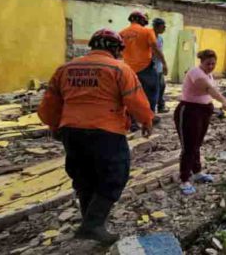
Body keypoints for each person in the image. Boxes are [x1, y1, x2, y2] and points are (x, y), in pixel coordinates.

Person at [38, 29, 154, 245]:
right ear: (116, 49)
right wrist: (146, 121)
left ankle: (90, 223)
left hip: (71, 132)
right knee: (115, 175)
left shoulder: (66, 68)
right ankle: (93, 224)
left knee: (83, 177)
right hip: (106, 132)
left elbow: (50, 104)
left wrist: (54, 125)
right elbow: (136, 101)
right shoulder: (119, 69)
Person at [174, 49, 226, 195]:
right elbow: (210, 90)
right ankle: (184, 179)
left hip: (204, 110)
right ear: (201, 62)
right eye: (208, 63)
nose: (211, 66)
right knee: (188, 146)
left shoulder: (208, 73)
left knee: (197, 144)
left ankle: (197, 171)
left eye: (213, 63)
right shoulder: (196, 73)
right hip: (189, 111)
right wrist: (224, 101)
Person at [120, 11, 167, 125]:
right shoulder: (147, 31)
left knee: (131, 95)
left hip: (128, 69)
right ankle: (148, 118)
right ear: (142, 20)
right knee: (151, 93)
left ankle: (132, 122)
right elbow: (155, 49)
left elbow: (119, 51)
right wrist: (164, 63)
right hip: (145, 68)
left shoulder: (122, 33)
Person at [152, 18, 168, 113]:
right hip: (152, 67)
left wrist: (163, 65)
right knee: (154, 88)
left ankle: (161, 106)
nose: (164, 28)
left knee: (162, 86)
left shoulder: (160, 38)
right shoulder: (150, 37)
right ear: (157, 27)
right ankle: (153, 108)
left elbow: (160, 52)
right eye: (163, 26)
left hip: (159, 67)